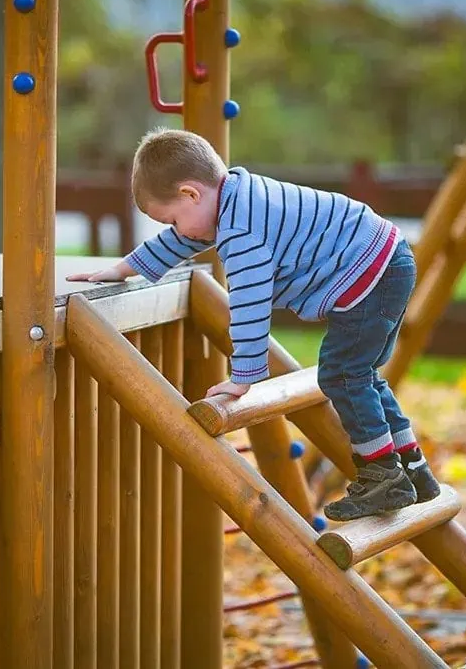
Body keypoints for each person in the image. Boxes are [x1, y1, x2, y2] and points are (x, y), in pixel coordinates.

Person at [66, 127, 440, 520]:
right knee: (362, 375)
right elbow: (183, 241)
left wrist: (244, 375)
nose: (175, 231)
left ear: (191, 193)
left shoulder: (242, 233)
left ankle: (383, 476)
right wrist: (123, 269)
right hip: (387, 260)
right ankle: (413, 470)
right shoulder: (237, 197)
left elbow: (248, 302)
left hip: (368, 272)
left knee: (342, 374)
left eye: (172, 219)